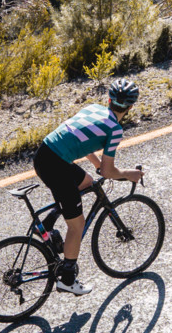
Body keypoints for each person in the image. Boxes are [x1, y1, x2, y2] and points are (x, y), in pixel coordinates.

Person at [32, 77, 144, 295]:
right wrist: (131, 174)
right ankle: (67, 278)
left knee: (87, 183)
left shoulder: (93, 109)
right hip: (58, 165)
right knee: (77, 225)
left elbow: (80, 140)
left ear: (109, 100)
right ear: (131, 107)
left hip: (44, 154)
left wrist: (97, 166)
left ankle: (45, 225)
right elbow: (110, 172)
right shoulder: (115, 130)